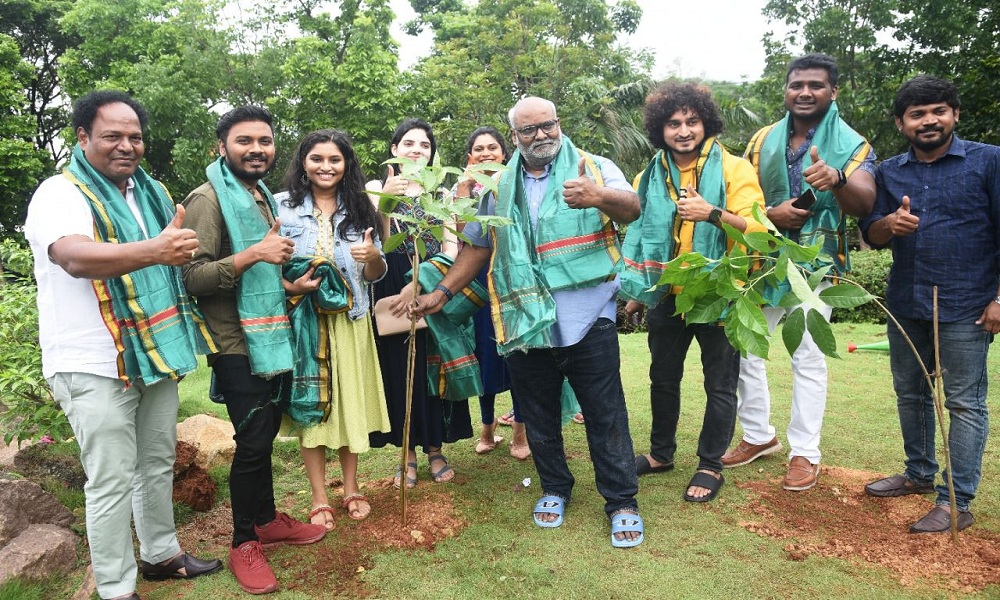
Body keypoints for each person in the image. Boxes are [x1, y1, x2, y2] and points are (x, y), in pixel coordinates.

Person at [411, 97, 645, 548]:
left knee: (604, 412)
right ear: (514, 135)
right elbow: (478, 247)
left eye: (547, 125)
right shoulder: (498, 183)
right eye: (528, 130)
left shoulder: (593, 167)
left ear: (559, 123)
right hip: (523, 320)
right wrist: (441, 293)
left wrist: (597, 197)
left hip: (588, 315)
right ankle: (555, 488)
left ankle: (621, 501)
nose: (540, 135)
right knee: (536, 415)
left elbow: (632, 208)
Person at [24, 90, 222, 600]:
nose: (126, 145)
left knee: (155, 461)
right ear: (83, 136)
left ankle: (161, 554)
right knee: (110, 480)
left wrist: (172, 253)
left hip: (150, 351)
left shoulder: (149, 193)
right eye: (112, 135)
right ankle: (115, 588)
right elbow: (74, 256)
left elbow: (164, 257)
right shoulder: (60, 193)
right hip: (91, 361)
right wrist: (156, 250)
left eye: (134, 136)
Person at [182, 106, 327, 595]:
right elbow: (194, 277)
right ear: (221, 147)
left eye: (264, 141)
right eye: (245, 141)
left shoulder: (259, 195)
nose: (257, 149)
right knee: (251, 442)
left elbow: (259, 278)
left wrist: (290, 287)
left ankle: (266, 520)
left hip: (271, 332)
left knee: (264, 435)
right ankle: (244, 540)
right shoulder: (208, 199)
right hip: (235, 342)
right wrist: (255, 254)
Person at [724, 53, 877, 491]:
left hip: (815, 264)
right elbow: (742, 195)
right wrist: (771, 213)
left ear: (833, 92)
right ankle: (758, 436)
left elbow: (864, 202)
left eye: (815, 85)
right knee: (745, 349)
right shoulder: (762, 140)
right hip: (761, 260)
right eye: (797, 84)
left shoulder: (852, 144)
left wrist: (837, 180)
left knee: (807, 357)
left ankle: (805, 452)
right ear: (786, 89)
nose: (804, 92)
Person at [860, 75, 1000, 533]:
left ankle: (956, 500)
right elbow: (871, 234)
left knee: (963, 403)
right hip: (906, 301)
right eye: (917, 114)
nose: (929, 120)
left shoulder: (989, 161)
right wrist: (891, 224)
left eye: (938, 110)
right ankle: (918, 474)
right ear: (902, 123)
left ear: (955, 115)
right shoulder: (890, 171)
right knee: (912, 393)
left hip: (967, 304)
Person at [620, 82, 766, 503]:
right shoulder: (649, 175)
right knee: (662, 378)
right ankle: (662, 454)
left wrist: (712, 213)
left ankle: (710, 463)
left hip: (721, 291)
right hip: (668, 293)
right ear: (660, 129)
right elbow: (644, 237)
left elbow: (760, 232)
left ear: (706, 122)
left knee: (720, 384)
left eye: (691, 121)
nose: (683, 130)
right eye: (673, 123)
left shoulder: (735, 169)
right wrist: (639, 294)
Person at [275, 129, 392, 528]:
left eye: (335, 160)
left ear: (347, 165)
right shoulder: (281, 209)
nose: (326, 166)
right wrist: (291, 285)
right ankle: (319, 496)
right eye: (317, 159)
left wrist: (374, 256)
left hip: (351, 322)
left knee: (349, 407)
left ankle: (352, 487)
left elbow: (375, 275)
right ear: (303, 163)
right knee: (314, 410)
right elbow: (270, 269)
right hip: (306, 325)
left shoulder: (365, 212)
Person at [366, 118, 473, 488]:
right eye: (409, 144)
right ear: (394, 150)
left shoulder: (440, 196)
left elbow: (451, 248)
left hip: (428, 285)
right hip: (387, 285)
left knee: (432, 369)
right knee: (398, 370)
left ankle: (435, 449)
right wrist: (385, 202)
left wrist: (422, 282)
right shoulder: (373, 189)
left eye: (424, 145)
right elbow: (375, 245)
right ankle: (406, 455)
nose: (417, 150)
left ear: (432, 154)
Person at [454, 126, 530, 460]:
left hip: (515, 286)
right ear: (470, 157)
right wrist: (462, 193)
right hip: (481, 288)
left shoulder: (518, 185)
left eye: (493, 148)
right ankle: (486, 431)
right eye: (479, 149)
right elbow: (461, 242)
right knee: (486, 358)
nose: (486, 153)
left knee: (520, 358)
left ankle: (520, 434)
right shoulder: (465, 191)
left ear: (504, 154)